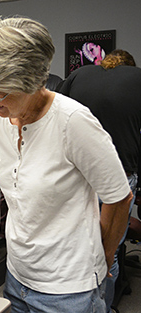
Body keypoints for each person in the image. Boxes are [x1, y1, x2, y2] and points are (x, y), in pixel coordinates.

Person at [0, 16, 132, 312]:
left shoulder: (73, 122)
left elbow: (119, 197)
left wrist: (101, 260)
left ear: (27, 82)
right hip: (17, 280)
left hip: (70, 290)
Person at [60, 49, 141, 312]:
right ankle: (102, 305)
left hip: (77, 173)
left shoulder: (79, 74)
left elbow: (54, 114)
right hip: (119, 174)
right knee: (108, 250)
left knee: (74, 240)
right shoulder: (137, 78)